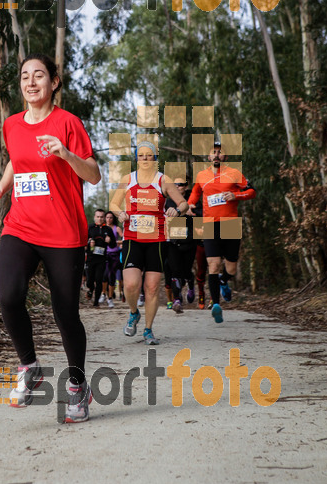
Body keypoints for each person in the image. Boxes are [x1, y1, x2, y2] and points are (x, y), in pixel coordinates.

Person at [0, 53, 101, 423]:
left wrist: (65, 154)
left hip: (63, 232)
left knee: (66, 314)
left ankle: (78, 386)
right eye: (25, 77)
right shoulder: (12, 125)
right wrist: (1, 189)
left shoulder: (68, 123)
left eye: (39, 76)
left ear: (54, 82)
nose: (31, 82)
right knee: (8, 295)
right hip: (21, 225)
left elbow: (94, 175)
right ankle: (30, 366)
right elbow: (17, 160)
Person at [110, 141, 191, 345]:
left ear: (155, 158)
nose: (145, 159)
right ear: (136, 158)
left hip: (157, 240)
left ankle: (148, 330)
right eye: (141, 155)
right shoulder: (128, 179)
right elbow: (113, 203)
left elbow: (183, 202)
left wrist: (177, 210)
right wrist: (119, 212)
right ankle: (134, 312)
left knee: (152, 287)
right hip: (132, 238)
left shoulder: (163, 180)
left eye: (149, 155)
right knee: (130, 284)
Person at [188, 141, 256, 323]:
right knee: (213, 264)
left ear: (225, 157)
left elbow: (251, 191)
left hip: (230, 223)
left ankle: (224, 281)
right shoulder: (202, 175)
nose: (216, 155)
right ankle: (216, 305)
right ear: (209, 157)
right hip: (210, 223)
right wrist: (189, 205)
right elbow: (195, 193)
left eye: (220, 153)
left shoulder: (234, 173)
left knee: (231, 267)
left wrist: (236, 195)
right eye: (213, 152)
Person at [164, 178, 200, 314]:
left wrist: (192, 214)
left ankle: (190, 283)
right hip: (173, 241)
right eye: (176, 184)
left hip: (189, 241)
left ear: (186, 186)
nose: (178, 187)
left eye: (181, 184)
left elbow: (203, 215)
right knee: (175, 271)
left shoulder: (195, 199)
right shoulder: (168, 200)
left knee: (186, 271)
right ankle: (177, 300)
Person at [86, 209, 116, 307]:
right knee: (90, 280)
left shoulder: (108, 229)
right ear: (94, 217)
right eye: (98, 217)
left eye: (101, 217)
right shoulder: (90, 228)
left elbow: (113, 245)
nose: (100, 219)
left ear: (104, 218)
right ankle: (90, 289)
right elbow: (83, 242)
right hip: (90, 258)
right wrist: (89, 243)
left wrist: (109, 241)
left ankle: (96, 303)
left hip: (101, 258)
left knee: (99, 279)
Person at [104, 211, 123, 303]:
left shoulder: (117, 228)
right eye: (107, 217)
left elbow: (124, 239)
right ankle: (104, 294)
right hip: (104, 254)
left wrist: (115, 242)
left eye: (111, 217)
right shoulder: (102, 228)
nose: (109, 219)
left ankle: (110, 297)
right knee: (104, 275)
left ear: (113, 219)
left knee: (111, 274)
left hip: (114, 254)